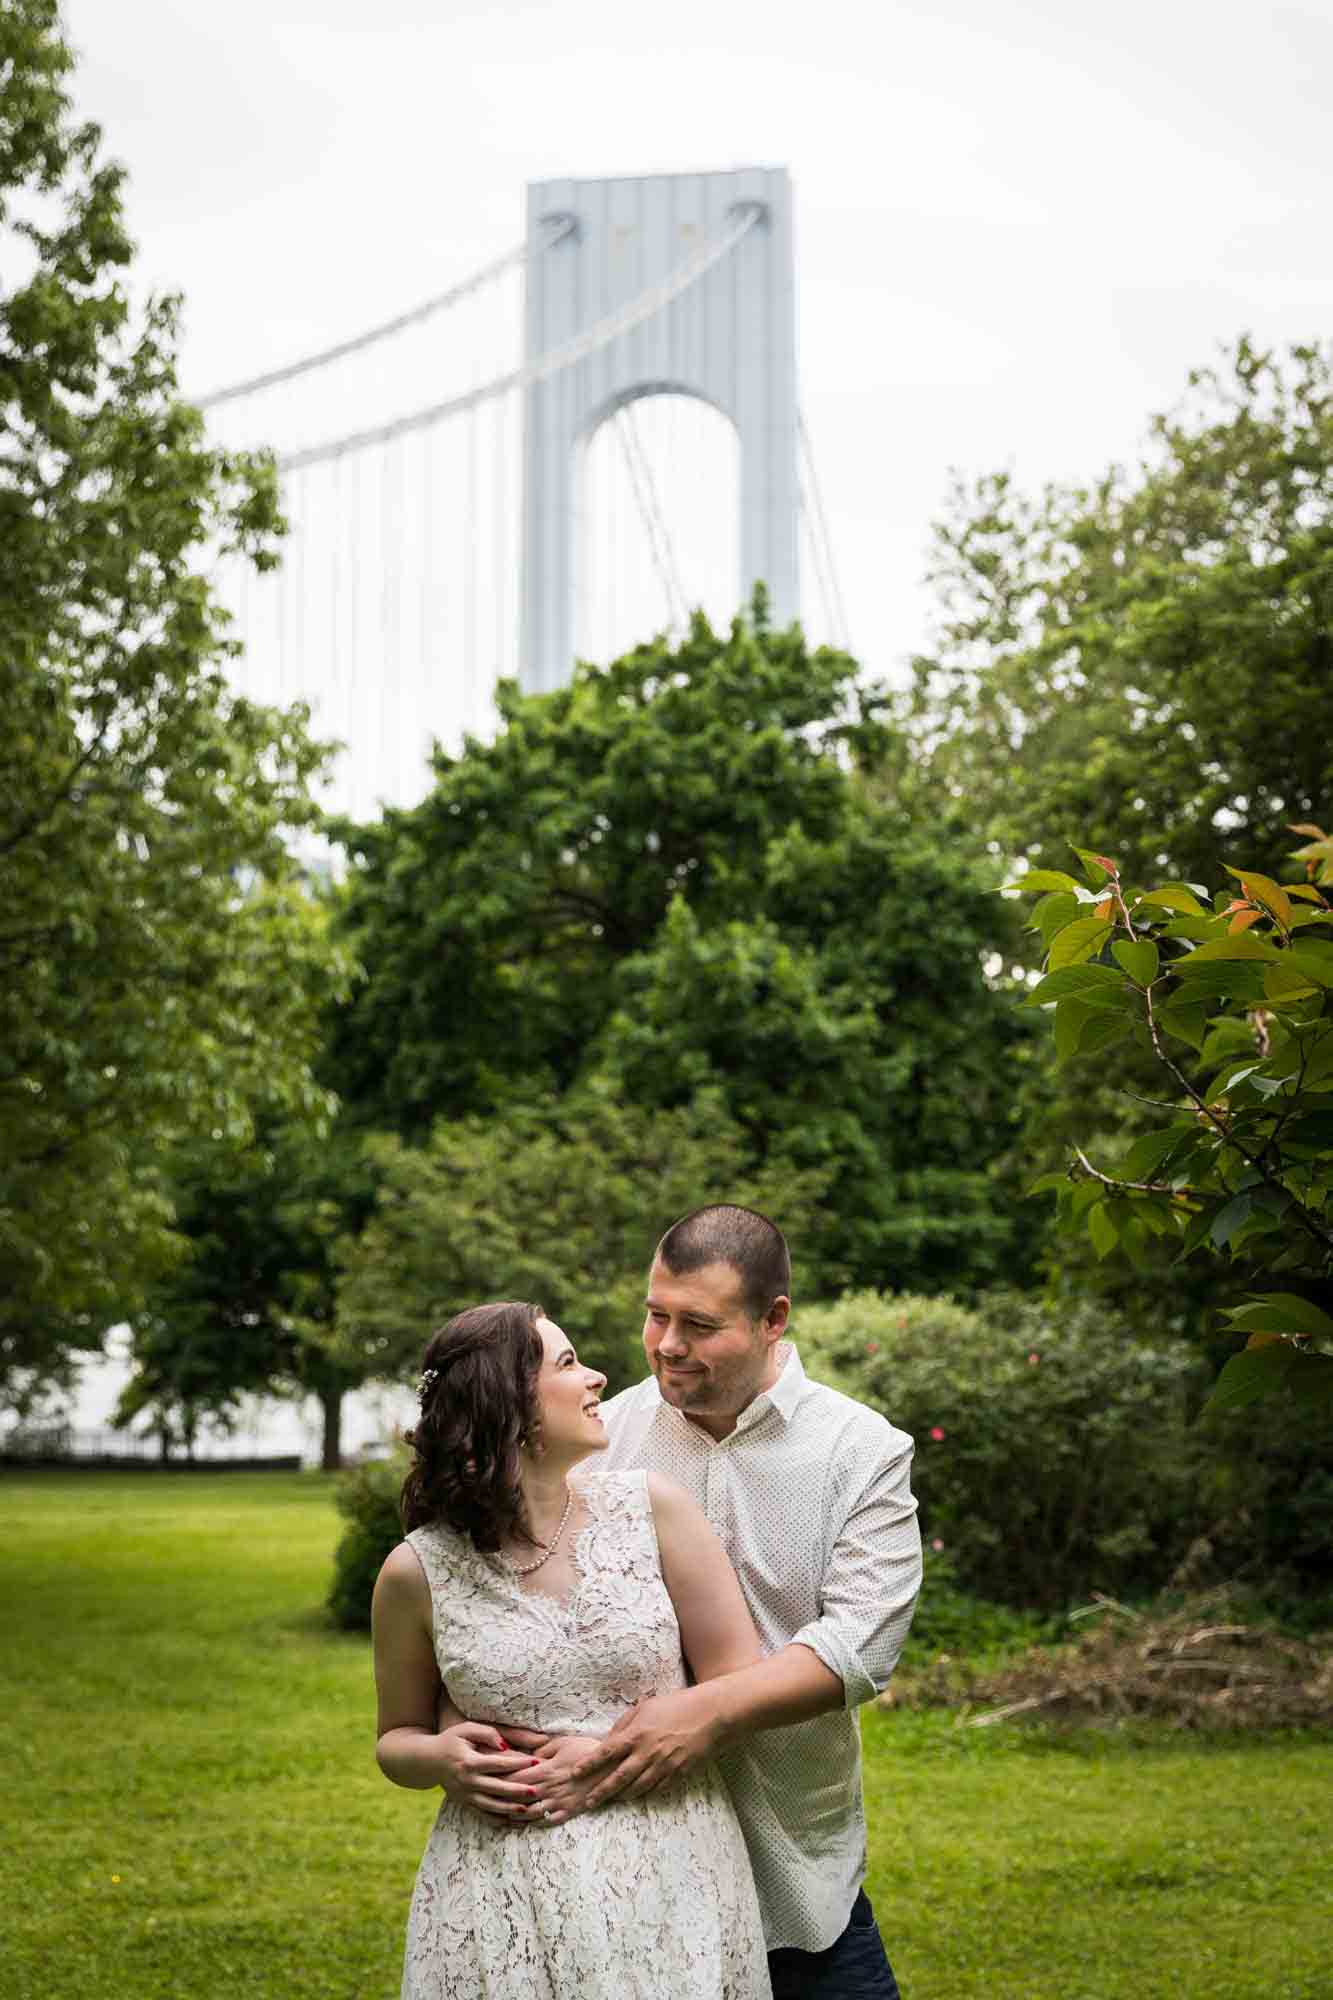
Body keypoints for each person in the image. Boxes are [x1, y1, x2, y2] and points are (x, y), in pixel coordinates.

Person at [436, 1206, 923, 2000]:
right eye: (655, 1314)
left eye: (697, 1324)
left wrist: (702, 1713)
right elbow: (504, 1607)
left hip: (791, 1859)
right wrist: (456, 1741)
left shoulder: (861, 1451)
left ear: (773, 1320)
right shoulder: (597, 1436)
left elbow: (861, 1645)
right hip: (615, 1855)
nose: (666, 1343)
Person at [371, 1298, 774, 2000]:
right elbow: (395, 1738)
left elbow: (737, 1688)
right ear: (511, 1408)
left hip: (669, 1867)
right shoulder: (415, 1572)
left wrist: (612, 1758)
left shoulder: (654, 1510)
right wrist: (440, 1759)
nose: (595, 1378)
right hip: (498, 1888)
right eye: (566, 1363)